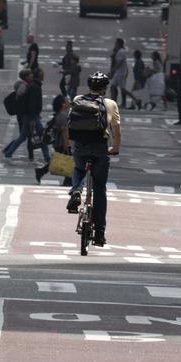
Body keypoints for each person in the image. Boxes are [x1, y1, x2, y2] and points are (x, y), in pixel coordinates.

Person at [62, 71, 122, 247]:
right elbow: (116, 132)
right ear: (105, 88)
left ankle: (75, 191)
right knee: (100, 189)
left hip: (80, 146)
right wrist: (115, 148)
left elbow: (69, 124)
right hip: (99, 148)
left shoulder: (78, 98)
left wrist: (68, 145)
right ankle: (100, 233)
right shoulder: (110, 104)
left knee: (79, 169)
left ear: (89, 86)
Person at [2, 69, 35, 159]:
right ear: (26, 77)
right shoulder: (23, 86)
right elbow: (21, 97)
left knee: (24, 136)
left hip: (22, 114)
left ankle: (8, 150)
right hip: (23, 114)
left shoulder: (24, 85)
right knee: (25, 136)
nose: (32, 76)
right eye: (30, 75)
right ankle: (9, 151)